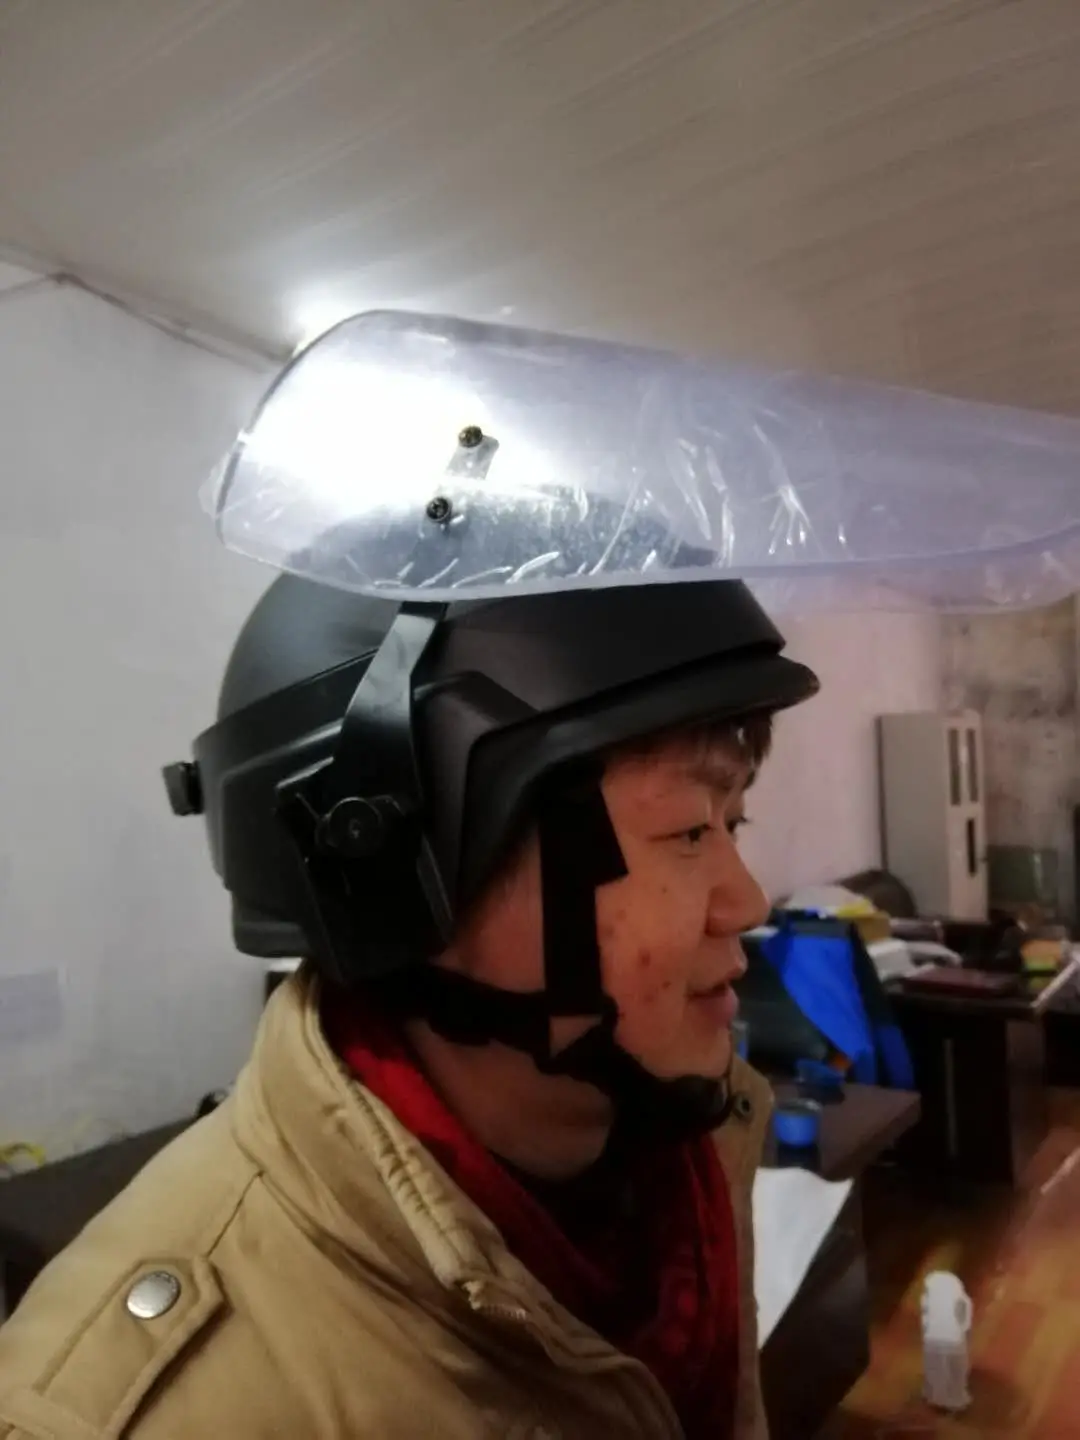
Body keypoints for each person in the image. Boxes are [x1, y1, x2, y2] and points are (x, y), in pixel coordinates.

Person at [0, 571, 818, 1439]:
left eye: (733, 824)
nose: (746, 902)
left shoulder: (680, 1163)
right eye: (688, 831)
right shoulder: (140, 1415)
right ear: (403, 885)